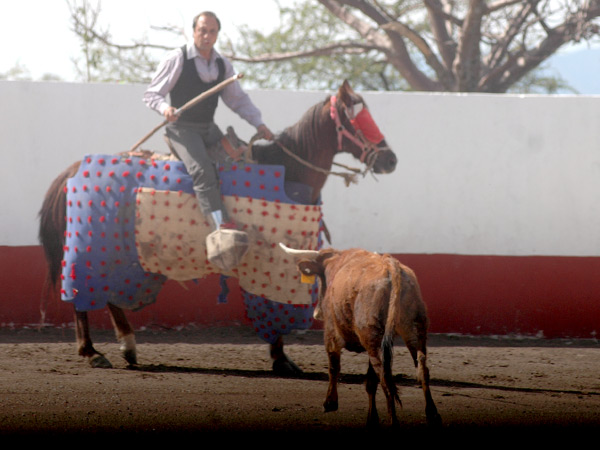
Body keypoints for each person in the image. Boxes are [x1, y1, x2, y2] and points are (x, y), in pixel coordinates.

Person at [143, 10, 274, 231]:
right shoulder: (178, 58)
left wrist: (259, 124)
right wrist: (166, 109)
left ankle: (244, 216)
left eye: (212, 32)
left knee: (240, 155)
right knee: (202, 170)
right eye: (202, 30)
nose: (207, 36)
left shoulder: (223, 65)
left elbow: (238, 100)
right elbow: (152, 95)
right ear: (193, 32)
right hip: (182, 129)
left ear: (217, 35)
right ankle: (220, 226)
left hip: (208, 128)